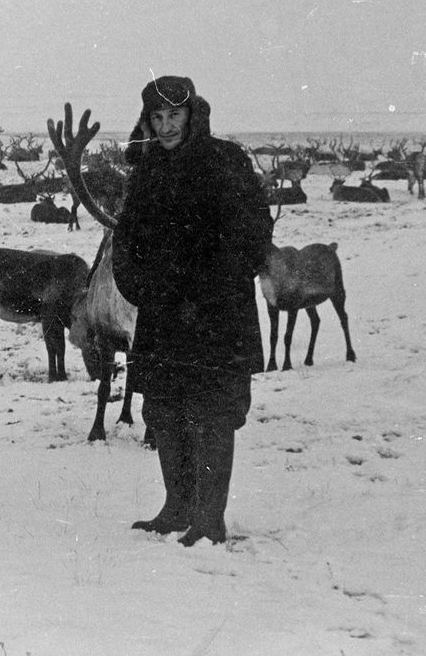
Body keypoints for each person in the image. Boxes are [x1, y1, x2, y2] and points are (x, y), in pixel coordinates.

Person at [111, 75, 274, 546]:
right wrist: (140, 288)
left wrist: (207, 291)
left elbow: (252, 233)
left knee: (212, 412)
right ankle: (176, 507)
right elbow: (127, 239)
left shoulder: (225, 160)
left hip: (216, 317)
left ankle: (209, 520)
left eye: (175, 115)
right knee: (164, 410)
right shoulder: (147, 170)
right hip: (163, 314)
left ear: (193, 114)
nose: (166, 127)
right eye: (157, 117)